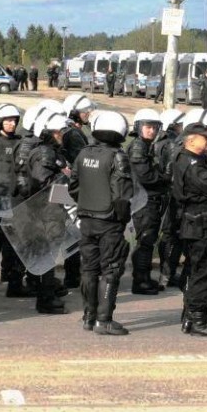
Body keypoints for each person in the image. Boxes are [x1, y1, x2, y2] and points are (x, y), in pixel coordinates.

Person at [68, 111, 133, 335]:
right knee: (111, 270)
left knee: (88, 268)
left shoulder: (83, 153)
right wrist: (122, 220)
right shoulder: (117, 156)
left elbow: (73, 186)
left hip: (85, 218)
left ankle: (89, 316)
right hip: (109, 221)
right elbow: (122, 195)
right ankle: (104, 320)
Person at [173, 121, 207, 337]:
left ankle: (192, 315)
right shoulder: (192, 163)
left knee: (198, 271)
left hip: (198, 223)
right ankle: (197, 319)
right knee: (205, 273)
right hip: (202, 225)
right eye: (205, 137)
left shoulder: (190, 159)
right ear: (191, 140)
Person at [26, 111, 71, 314]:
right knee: (47, 254)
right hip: (46, 212)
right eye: (59, 131)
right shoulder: (45, 153)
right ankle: (45, 299)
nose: (62, 135)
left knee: (49, 254)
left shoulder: (51, 152)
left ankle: (47, 292)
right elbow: (44, 184)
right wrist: (64, 178)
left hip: (52, 210)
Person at [127, 109, 171, 295]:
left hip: (147, 199)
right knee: (145, 240)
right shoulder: (138, 147)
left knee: (148, 240)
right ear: (138, 127)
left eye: (154, 127)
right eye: (148, 127)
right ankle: (140, 280)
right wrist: (165, 177)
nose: (151, 131)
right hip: (144, 200)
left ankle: (144, 277)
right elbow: (145, 175)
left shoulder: (145, 145)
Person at [0, 104, 25, 294]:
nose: (11, 124)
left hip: (15, 194)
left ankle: (7, 272)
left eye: (14, 120)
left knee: (12, 235)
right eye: (7, 120)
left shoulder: (20, 142)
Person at [60, 94, 96, 288]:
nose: (88, 114)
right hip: (74, 189)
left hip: (71, 187)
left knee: (73, 231)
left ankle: (72, 274)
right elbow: (80, 162)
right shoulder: (73, 134)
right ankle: (72, 275)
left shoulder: (71, 131)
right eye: (84, 111)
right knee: (74, 230)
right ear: (74, 113)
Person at [153, 109, 185, 289]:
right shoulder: (173, 145)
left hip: (164, 194)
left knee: (168, 234)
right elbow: (173, 172)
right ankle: (167, 273)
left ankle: (167, 273)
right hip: (173, 195)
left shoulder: (159, 142)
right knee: (173, 235)